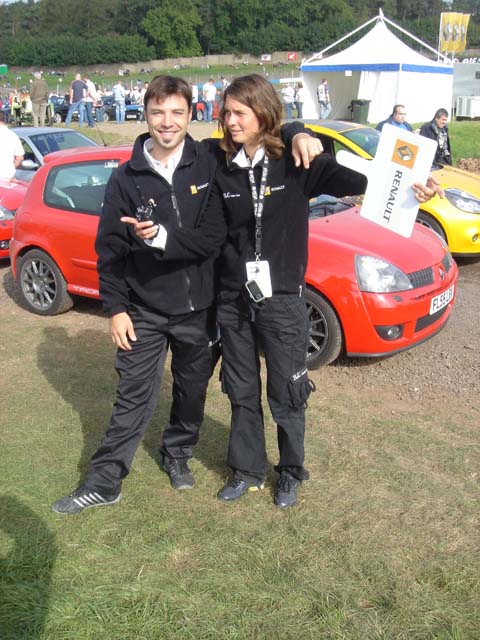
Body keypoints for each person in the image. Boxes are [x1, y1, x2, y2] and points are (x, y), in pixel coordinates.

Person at [134, 74, 444, 509]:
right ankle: (247, 470)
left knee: (288, 390)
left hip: (282, 302)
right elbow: (171, 148)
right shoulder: (219, 160)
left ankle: (290, 472)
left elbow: (362, 180)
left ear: (263, 114)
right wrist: (160, 236)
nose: (230, 121)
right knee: (241, 389)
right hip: (233, 300)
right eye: (226, 113)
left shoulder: (296, 162)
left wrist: (414, 187)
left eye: (240, 113)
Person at [51, 75, 319, 515]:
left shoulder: (210, 158)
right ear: (145, 115)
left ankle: (176, 453)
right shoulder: (126, 178)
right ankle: (104, 482)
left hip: (202, 309)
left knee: (191, 392)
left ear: (191, 114)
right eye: (157, 112)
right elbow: (109, 251)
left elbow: (260, 131)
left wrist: (298, 132)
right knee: (133, 395)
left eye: (177, 112)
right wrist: (116, 308)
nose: (167, 122)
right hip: (145, 309)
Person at [0, 110, 24, 179]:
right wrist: (10, 168)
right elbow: (20, 158)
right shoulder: (13, 136)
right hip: (7, 176)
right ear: (5, 120)